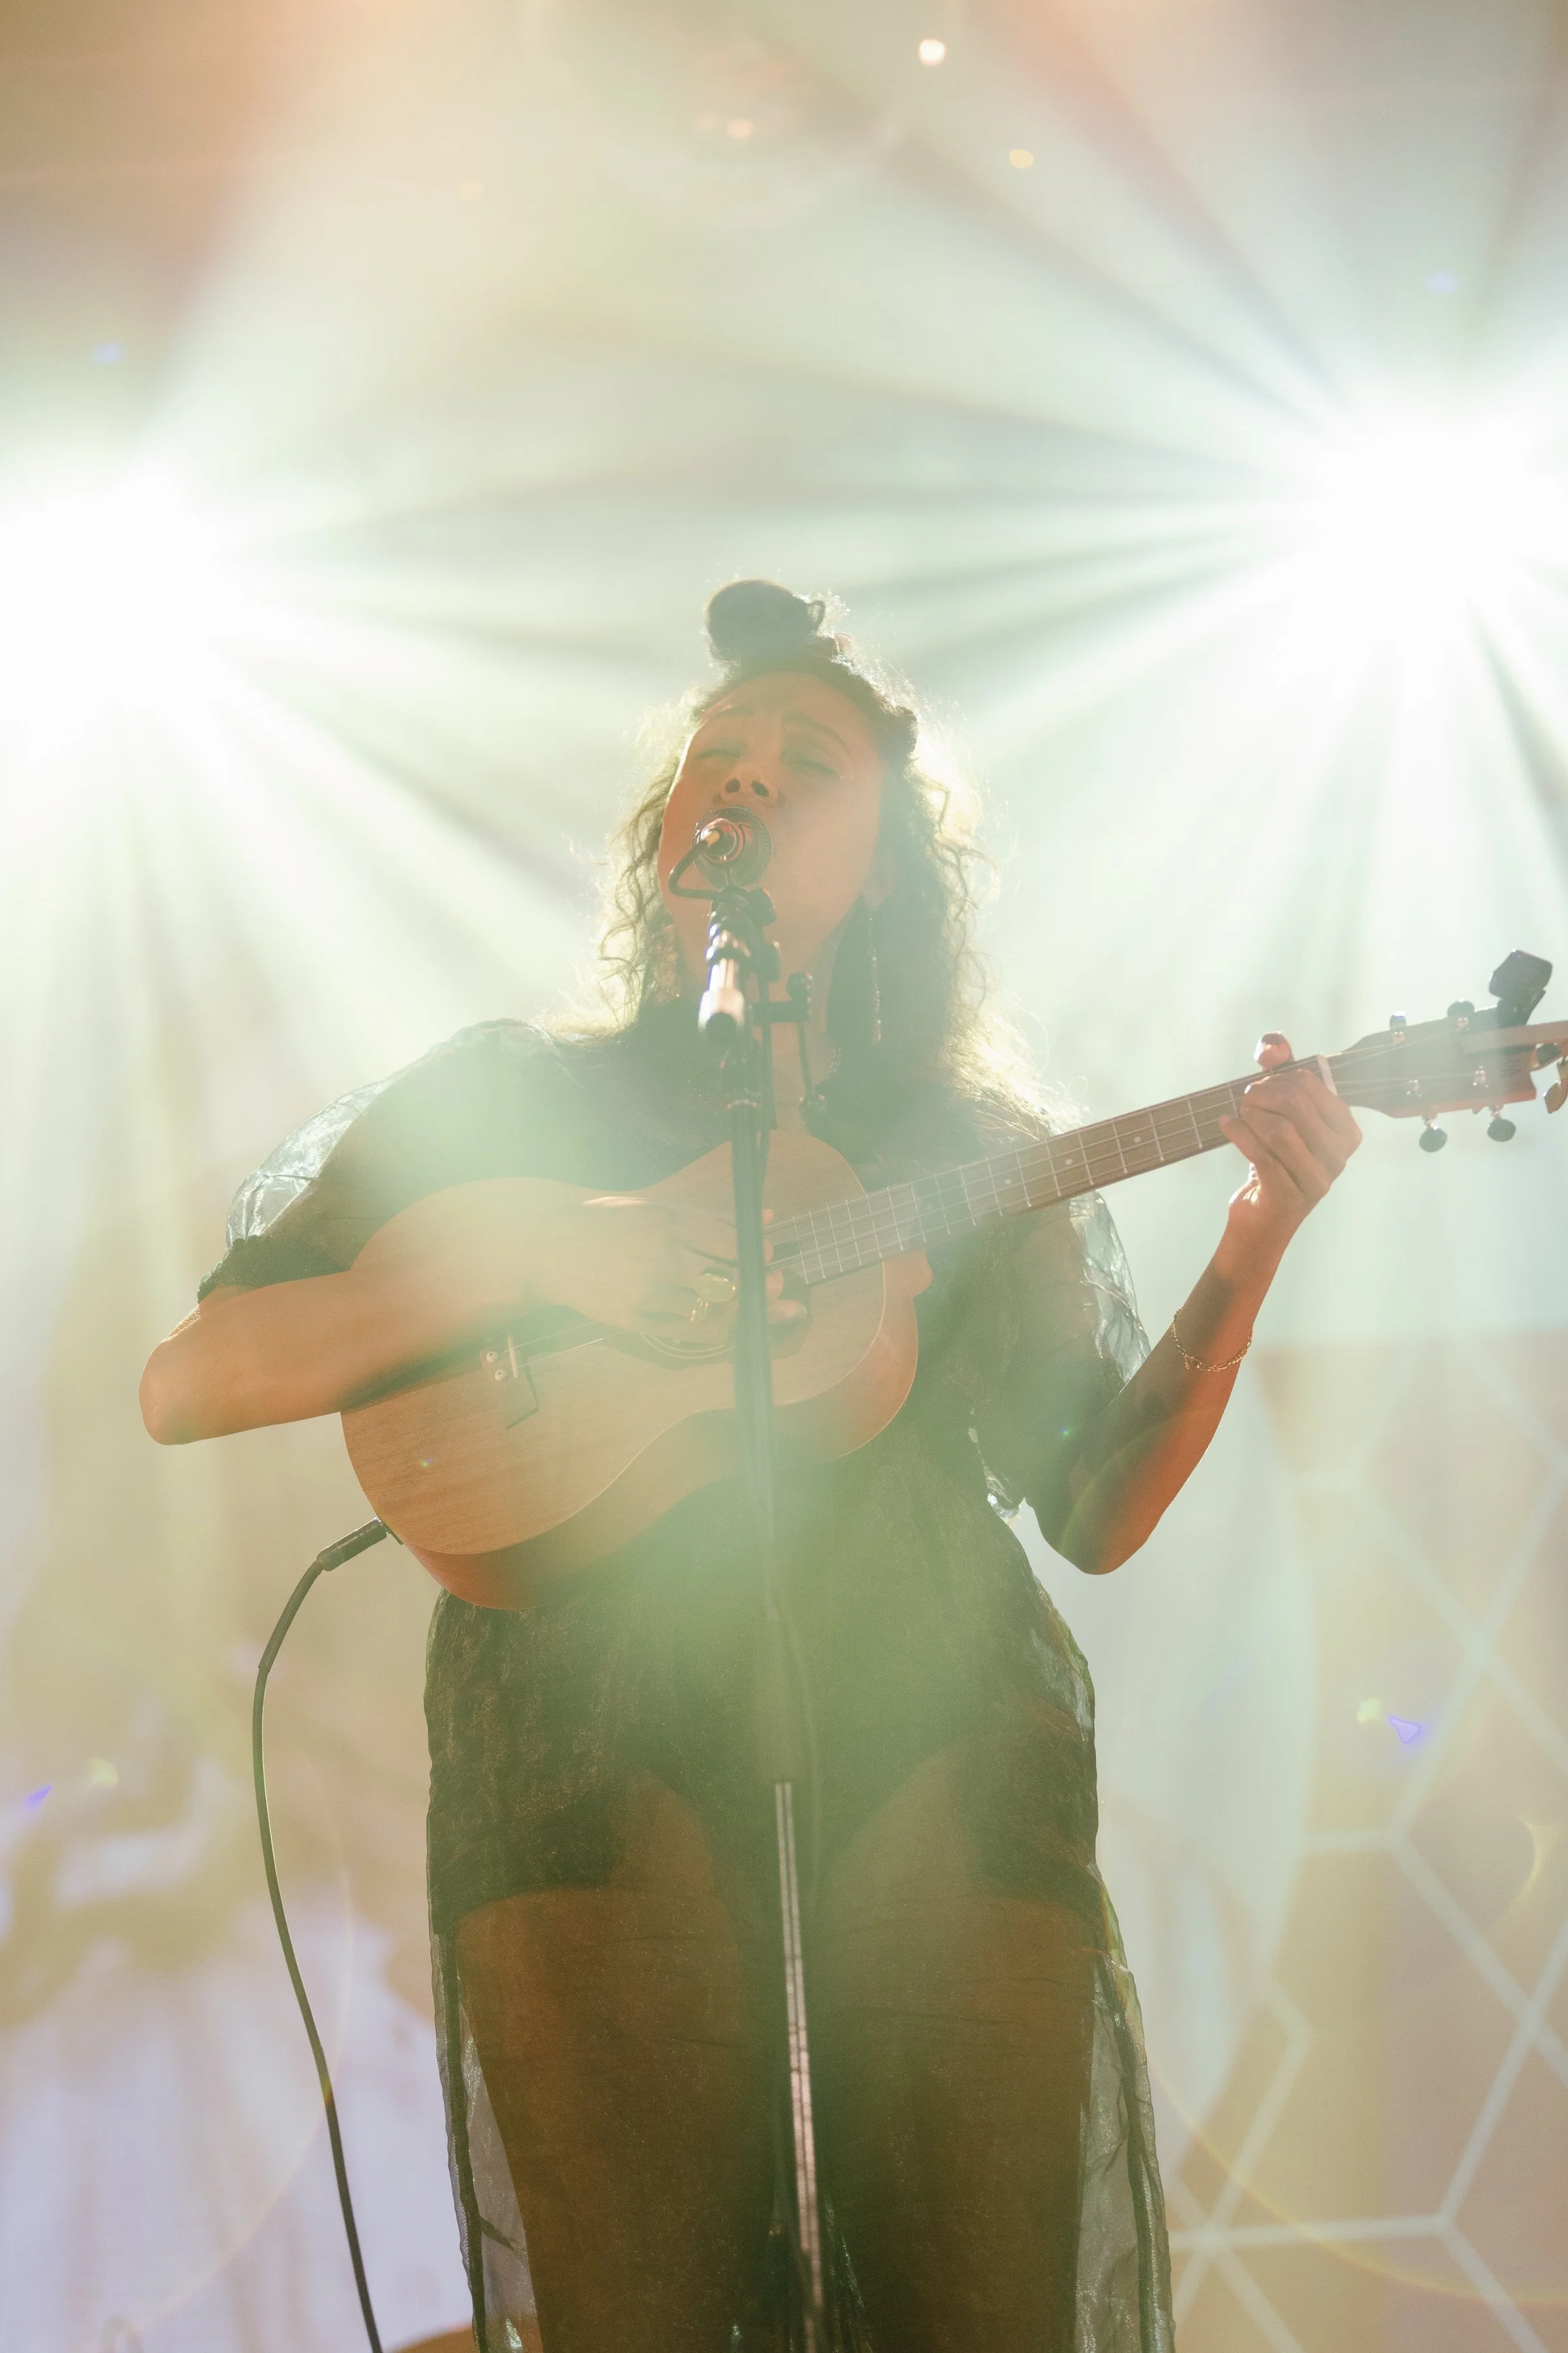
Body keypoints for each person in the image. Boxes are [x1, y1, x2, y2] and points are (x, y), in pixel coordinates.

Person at [141, 581, 1360, 2353]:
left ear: (885, 871)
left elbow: (1095, 1504)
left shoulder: (962, 1146)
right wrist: (544, 1251)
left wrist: (1255, 1228)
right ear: (657, 841)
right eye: (716, 753)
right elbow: (196, 1377)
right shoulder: (509, 1102)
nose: (747, 774)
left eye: (808, 758)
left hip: (929, 1721)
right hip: (586, 1731)